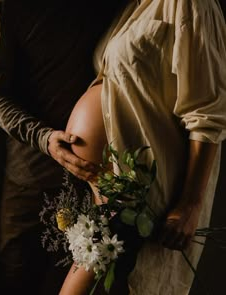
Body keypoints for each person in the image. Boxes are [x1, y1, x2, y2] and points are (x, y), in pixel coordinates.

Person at [57, 0, 226, 294]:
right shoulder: (134, 7)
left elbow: (207, 113)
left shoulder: (192, 4)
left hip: (143, 196)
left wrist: (190, 205)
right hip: (109, 193)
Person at [0, 0, 129, 294]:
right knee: (16, 280)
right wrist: (44, 138)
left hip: (92, 185)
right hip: (30, 183)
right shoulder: (6, 7)